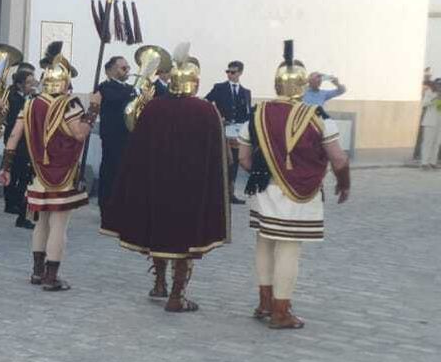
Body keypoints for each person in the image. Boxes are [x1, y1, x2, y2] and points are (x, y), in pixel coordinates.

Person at [101, 49, 229, 312]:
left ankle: (159, 283)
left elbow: (138, 145)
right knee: (184, 240)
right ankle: (176, 295)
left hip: (157, 181)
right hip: (190, 186)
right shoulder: (206, 111)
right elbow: (218, 155)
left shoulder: (154, 107)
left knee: (159, 232)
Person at [236, 42, 352, 329]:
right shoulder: (316, 116)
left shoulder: (257, 113)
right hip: (299, 192)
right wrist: (344, 183)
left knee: (264, 241)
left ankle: (264, 303)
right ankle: (280, 311)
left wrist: (269, 173)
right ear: (302, 85)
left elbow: (243, 158)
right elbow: (338, 158)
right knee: (288, 247)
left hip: (263, 189)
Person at [0, 42, 100, 291]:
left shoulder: (30, 104)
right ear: (64, 84)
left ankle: (36, 271)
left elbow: (13, 137)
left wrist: (6, 167)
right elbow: (79, 133)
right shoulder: (70, 104)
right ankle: (51, 276)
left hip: (38, 172)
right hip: (62, 173)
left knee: (41, 222)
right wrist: (94, 108)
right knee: (58, 225)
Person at [205, 60, 252, 204]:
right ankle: (217, 193)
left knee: (235, 163)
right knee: (222, 160)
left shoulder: (246, 92)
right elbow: (206, 102)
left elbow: (247, 112)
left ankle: (231, 194)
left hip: (238, 132)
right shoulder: (219, 88)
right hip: (223, 130)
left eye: (233, 72)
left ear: (240, 73)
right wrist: (217, 116)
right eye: (228, 72)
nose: (230, 75)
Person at [95, 55, 135, 208]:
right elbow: (115, 98)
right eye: (123, 68)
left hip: (128, 135)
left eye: (128, 68)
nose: (127, 71)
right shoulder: (105, 87)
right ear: (110, 71)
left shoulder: (129, 88)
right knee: (111, 170)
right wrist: (135, 92)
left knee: (125, 171)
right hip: (112, 136)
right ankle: (106, 204)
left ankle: (122, 203)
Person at [1, 68, 37, 229]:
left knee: (23, 177)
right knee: (17, 175)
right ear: (19, 85)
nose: (32, 85)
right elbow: (19, 117)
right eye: (28, 83)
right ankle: (14, 206)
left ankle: (21, 211)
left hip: (28, 142)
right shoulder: (14, 98)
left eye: (32, 82)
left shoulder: (28, 97)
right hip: (18, 142)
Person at [421, 78, 441, 169]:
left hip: (439, 123)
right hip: (430, 122)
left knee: (436, 143)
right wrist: (435, 98)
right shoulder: (429, 92)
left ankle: (433, 162)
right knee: (427, 143)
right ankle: (424, 163)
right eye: (438, 85)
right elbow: (424, 104)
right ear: (435, 85)